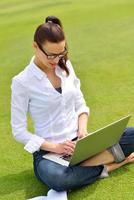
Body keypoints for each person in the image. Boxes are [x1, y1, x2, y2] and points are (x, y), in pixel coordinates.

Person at [11, 16, 134, 192]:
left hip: (81, 144)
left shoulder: (65, 65)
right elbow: (18, 131)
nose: (56, 60)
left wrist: (83, 132)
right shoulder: (22, 82)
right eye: (51, 55)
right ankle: (108, 165)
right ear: (35, 47)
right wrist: (55, 147)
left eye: (60, 53)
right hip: (49, 154)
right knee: (58, 179)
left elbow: (80, 104)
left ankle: (87, 163)